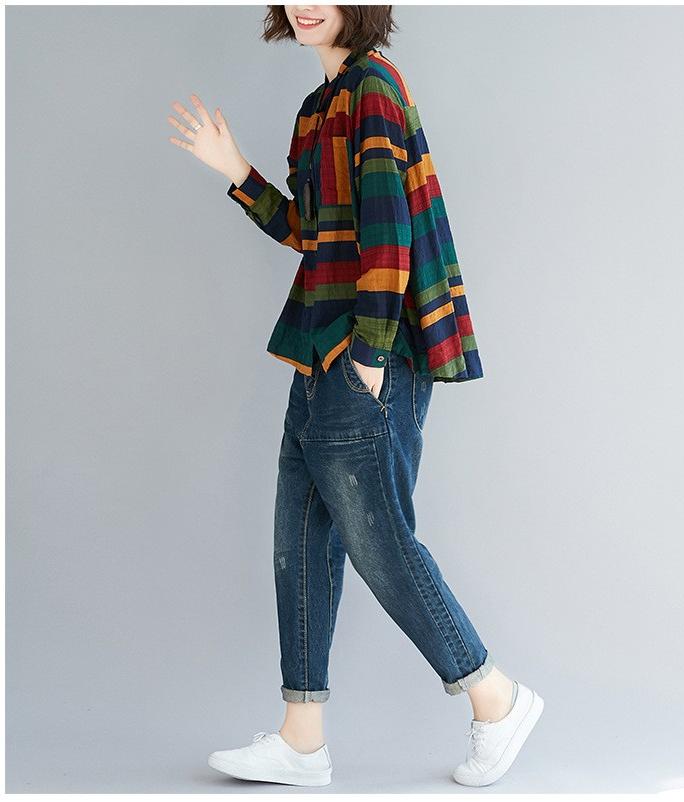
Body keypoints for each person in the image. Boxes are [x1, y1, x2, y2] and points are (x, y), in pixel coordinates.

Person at [167, 4, 544, 788]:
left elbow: (390, 231)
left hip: (366, 353)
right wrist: (236, 171)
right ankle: (301, 738)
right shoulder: (320, 105)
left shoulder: (374, 88)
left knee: (381, 543)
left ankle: (496, 698)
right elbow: (315, 234)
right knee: (298, 547)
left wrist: (369, 357)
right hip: (318, 350)